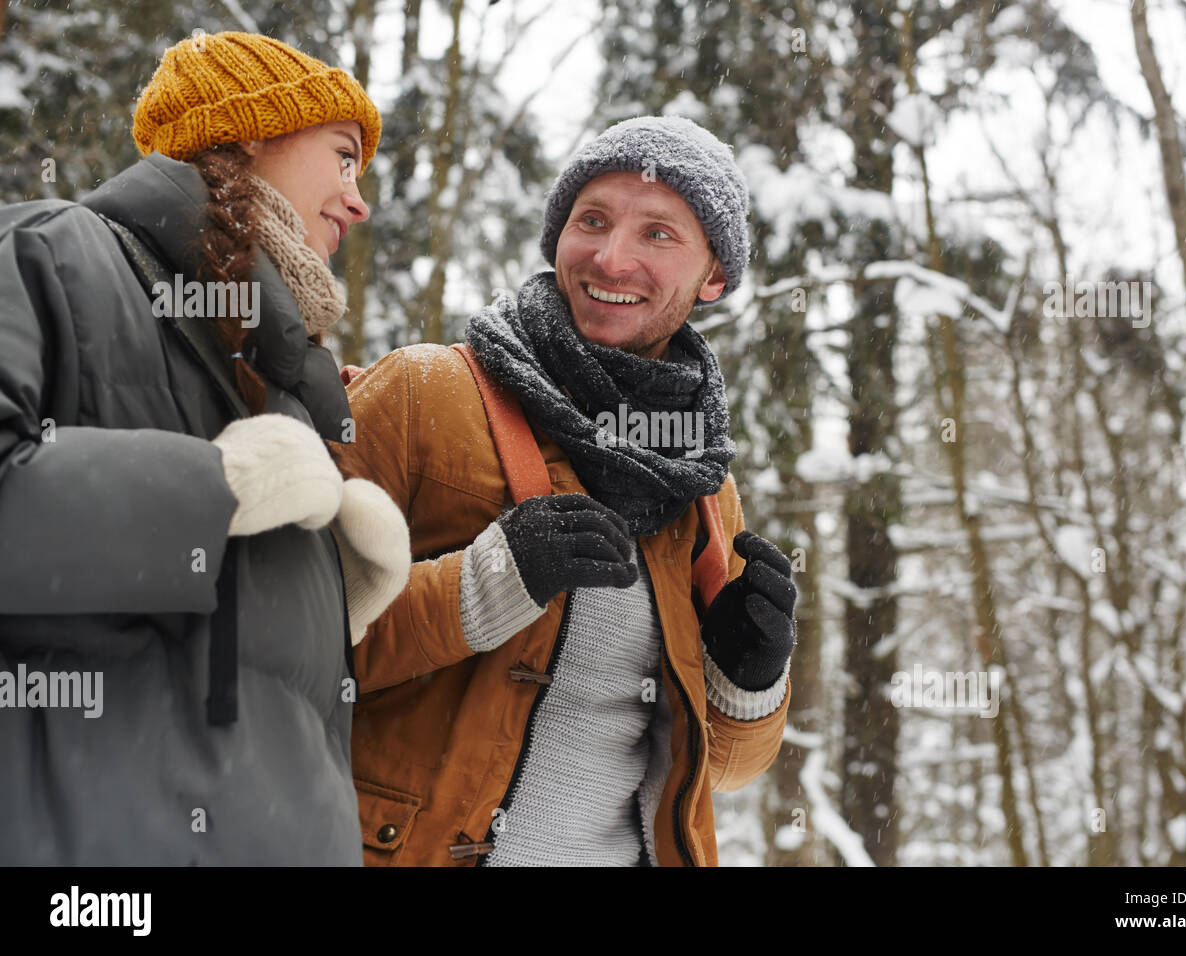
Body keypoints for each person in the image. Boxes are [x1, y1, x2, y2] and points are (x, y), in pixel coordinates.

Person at [337, 116, 797, 866]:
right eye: (593, 221)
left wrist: (748, 682)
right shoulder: (422, 394)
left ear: (714, 276)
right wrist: (483, 586)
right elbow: (272, 637)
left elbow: (719, 772)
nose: (611, 259)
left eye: (657, 233)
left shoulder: (704, 488)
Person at [0, 31, 410, 864]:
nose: (358, 202)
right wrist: (212, 488)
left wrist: (324, 592)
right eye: (343, 156)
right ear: (251, 133)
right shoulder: (53, 253)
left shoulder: (281, 373)